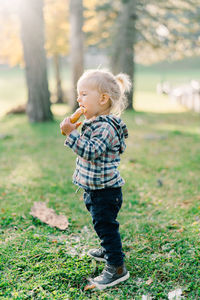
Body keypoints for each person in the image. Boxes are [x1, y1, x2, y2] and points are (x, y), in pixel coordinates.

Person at [60, 69, 131, 290]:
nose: (78, 99)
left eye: (83, 94)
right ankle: (108, 248)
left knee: (106, 225)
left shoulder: (106, 127)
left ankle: (117, 267)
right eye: (78, 95)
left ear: (103, 99)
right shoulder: (95, 123)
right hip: (95, 189)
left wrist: (71, 134)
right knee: (101, 225)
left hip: (105, 191)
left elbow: (91, 151)